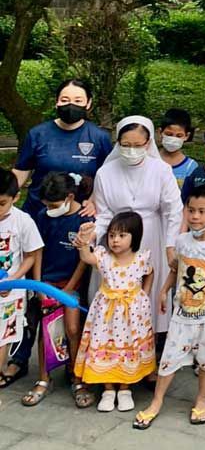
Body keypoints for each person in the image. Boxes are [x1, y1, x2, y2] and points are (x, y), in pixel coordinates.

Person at [133, 187, 205, 429]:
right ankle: (156, 402)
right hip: (182, 316)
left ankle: (201, 400)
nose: (196, 217)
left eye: (202, 211)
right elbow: (175, 269)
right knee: (169, 359)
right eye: (191, 211)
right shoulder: (181, 241)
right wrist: (163, 291)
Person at [91, 116, 182, 335]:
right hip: (116, 239)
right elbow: (103, 214)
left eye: (137, 145)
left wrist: (170, 245)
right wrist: (93, 237)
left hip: (150, 234)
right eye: (126, 145)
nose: (131, 150)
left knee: (147, 287)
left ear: (149, 143)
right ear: (118, 144)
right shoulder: (105, 173)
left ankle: (148, 339)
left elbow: (173, 210)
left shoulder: (161, 170)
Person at [20, 172, 93, 409]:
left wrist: (70, 287)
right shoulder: (43, 216)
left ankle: (76, 377)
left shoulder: (83, 219)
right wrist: (40, 286)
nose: (49, 208)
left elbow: (84, 259)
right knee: (46, 329)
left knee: (72, 329)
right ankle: (43, 378)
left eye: (53, 205)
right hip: (47, 282)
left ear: (69, 197)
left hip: (71, 283)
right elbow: (37, 250)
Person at [72, 211, 155, 413]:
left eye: (121, 235)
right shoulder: (103, 256)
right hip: (106, 312)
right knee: (105, 345)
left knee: (129, 346)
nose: (115, 240)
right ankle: (108, 389)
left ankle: (125, 388)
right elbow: (86, 256)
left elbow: (150, 273)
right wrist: (83, 242)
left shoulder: (141, 258)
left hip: (132, 314)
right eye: (111, 235)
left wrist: (144, 295)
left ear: (134, 236)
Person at [14, 77, 111, 217]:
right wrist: (5, 194)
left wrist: (93, 200)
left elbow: (108, 176)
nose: (71, 105)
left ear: (88, 103)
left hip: (79, 214)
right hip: (38, 212)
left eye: (78, 101)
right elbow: (20, 172)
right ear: (56, 102)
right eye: (65, 100)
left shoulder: (99, 137)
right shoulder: (37, 134)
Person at [0, 170, 43, 385]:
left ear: (15, 198)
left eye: (1, 203)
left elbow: (31, 256)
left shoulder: (23, 221)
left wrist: (14, 278)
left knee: (1, 339)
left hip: (9, 292)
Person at [158, 108, 198, 192]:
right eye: (169, 134)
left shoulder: (191, 167)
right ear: (160, 132)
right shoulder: (150, 159)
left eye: (179, 136)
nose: (173, 139)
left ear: (187, 136)